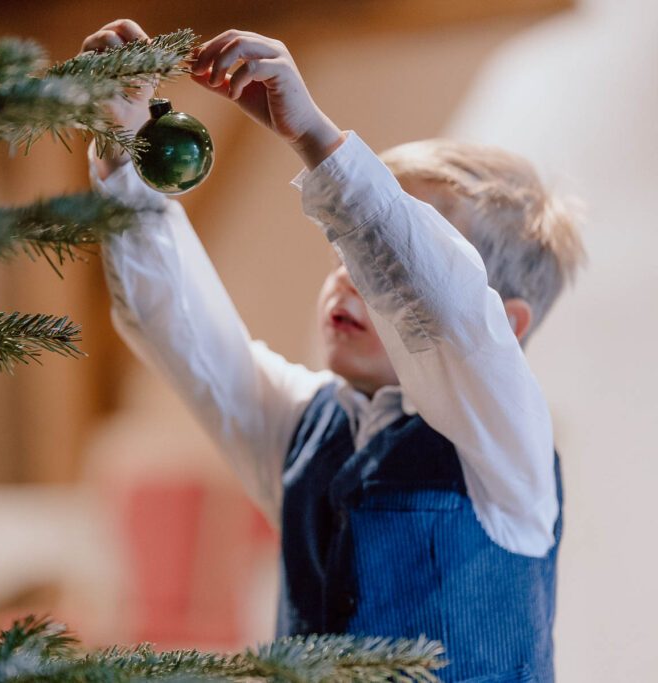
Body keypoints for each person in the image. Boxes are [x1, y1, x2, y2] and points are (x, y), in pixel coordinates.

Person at [80, 20, 585, 682]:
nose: (352, 271)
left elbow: (447, 306)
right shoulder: (302, 425)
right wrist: (122, 151)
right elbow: (172, 320)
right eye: (343, 251)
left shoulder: (506, 446)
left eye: (376, 258)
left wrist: (318, 141)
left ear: (509, 326)